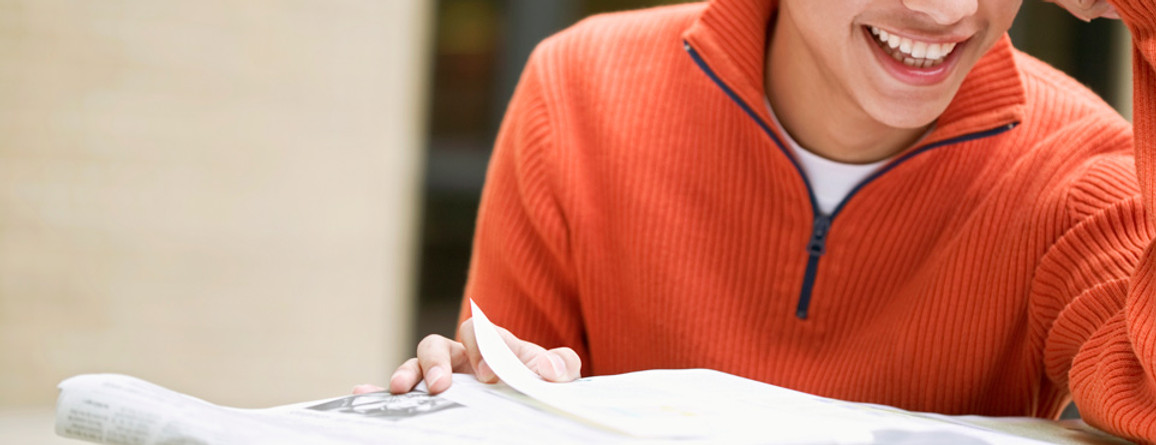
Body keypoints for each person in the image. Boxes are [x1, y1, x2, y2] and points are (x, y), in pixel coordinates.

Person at [359, 0, 1156, 442]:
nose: (941, 8)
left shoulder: (1083, 174)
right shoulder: (579, 91)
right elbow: (507, 411)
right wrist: (471, 397)